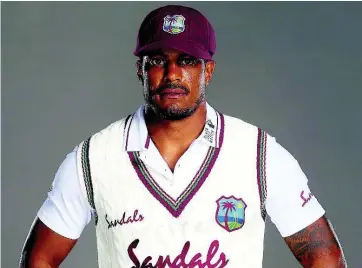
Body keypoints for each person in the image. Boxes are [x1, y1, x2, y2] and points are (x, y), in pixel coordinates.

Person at [20, 5, 346, 268]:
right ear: (140, 70)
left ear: (208, 70)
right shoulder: (94, 158)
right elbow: (40, 258)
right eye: (159, 61)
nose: (172, 74)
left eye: (187, 61)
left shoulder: (258, 154)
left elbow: (323, 256)